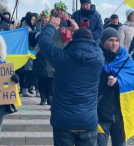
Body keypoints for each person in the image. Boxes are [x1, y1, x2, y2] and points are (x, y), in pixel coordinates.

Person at [38, 17, 104, 146]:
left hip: (64, 120)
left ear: (73, 39)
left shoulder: (61, 57)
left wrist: (51, 26)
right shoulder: (98, 58)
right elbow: (95, 45)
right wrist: (78, 30)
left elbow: (43, 42)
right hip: (88, 120)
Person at [97, 28, 134, 146]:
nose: (114, 43)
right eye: (111, 40)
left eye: (117, 40)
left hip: (120, 115)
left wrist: (118, 83)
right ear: (103, 41)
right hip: (100, 114)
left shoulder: (126, 59)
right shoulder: (95, 57)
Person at [33, 10, 53, 104]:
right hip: (39, 56)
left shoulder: (52, 29)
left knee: (49, 78)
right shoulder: (37, 30)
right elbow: (34, 42)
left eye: (46, 17)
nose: (44, 19)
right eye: (43, 17)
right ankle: (42, 97)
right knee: (40, 78)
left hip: (48, 56)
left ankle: (49, 98)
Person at [19, 12, 38, 97]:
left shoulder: (33, 28)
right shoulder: (24, 27)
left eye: (34, 20)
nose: (33, 21)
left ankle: (27, 88)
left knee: (31, 70)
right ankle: (25, 89)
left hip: (32, 50)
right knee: (27, 70)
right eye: (32, 19)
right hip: (26, 51)